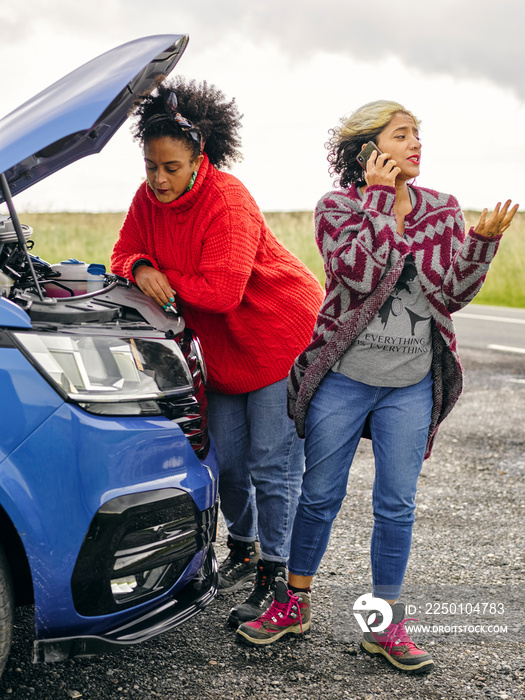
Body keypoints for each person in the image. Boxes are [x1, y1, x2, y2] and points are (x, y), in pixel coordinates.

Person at [236, 100, 518, 673]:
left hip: (409, 383)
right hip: (344, 378)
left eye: (418, 135)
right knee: (319, 496)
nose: (416, 144)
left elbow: (450, 295)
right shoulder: (338, 207)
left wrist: (480, 246)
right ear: (370, 148)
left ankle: (383, 625)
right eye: (402, 135)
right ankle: (293, 603)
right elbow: (361, 275)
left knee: (396, 504)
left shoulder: (440, 210)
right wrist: (377, 201)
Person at [111, 77, 324, 626]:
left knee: (272, 466)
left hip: (281, 335)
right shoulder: (147, 199)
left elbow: (224, 289)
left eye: (171, 168)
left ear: (198, 158)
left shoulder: (228, 199)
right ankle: (245, 547)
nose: (159, 179)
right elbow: (121, 251)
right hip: (227, 351)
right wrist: (140, 266)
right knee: (226, 463)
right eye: (151, 166)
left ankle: (280, 581)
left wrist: (165, 277)